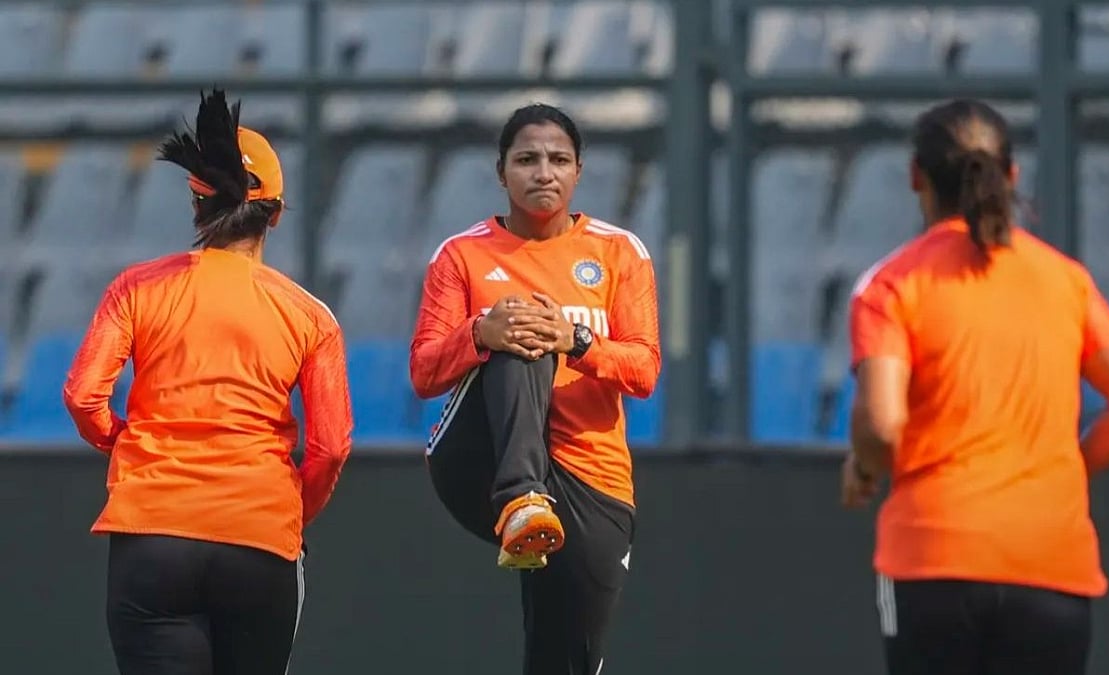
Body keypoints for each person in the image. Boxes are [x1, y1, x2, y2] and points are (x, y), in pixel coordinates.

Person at [841, 98, 1109, 675]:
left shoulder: (892, 284)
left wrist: (865, 467)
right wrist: (1067, 468)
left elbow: (882, 426)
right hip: (1051, 561)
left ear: (916, 177)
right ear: (1012, 175)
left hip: (934, 559)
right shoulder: (1066, 280)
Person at [62, 89, 353, 675]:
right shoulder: (310, 316)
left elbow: (82, 394)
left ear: (197, 204)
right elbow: (330, 447)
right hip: (259, 536)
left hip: (153, 533)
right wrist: (293, 510)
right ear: (274, 212)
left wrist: (123, 442)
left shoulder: (137, 288)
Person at [410, 102, 661, 675]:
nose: (543, 172)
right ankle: (521, 497)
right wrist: (481, 332)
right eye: (526, 159)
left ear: (578, 171)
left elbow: (644, 370)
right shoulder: (462, 254)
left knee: (565, 660)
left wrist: (574, 338)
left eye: (558, 159)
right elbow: (424, 371)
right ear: (501, 172)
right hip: (483, 460)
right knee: (517, 321)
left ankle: (534, 507)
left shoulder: (618, 251)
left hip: (592, 476)